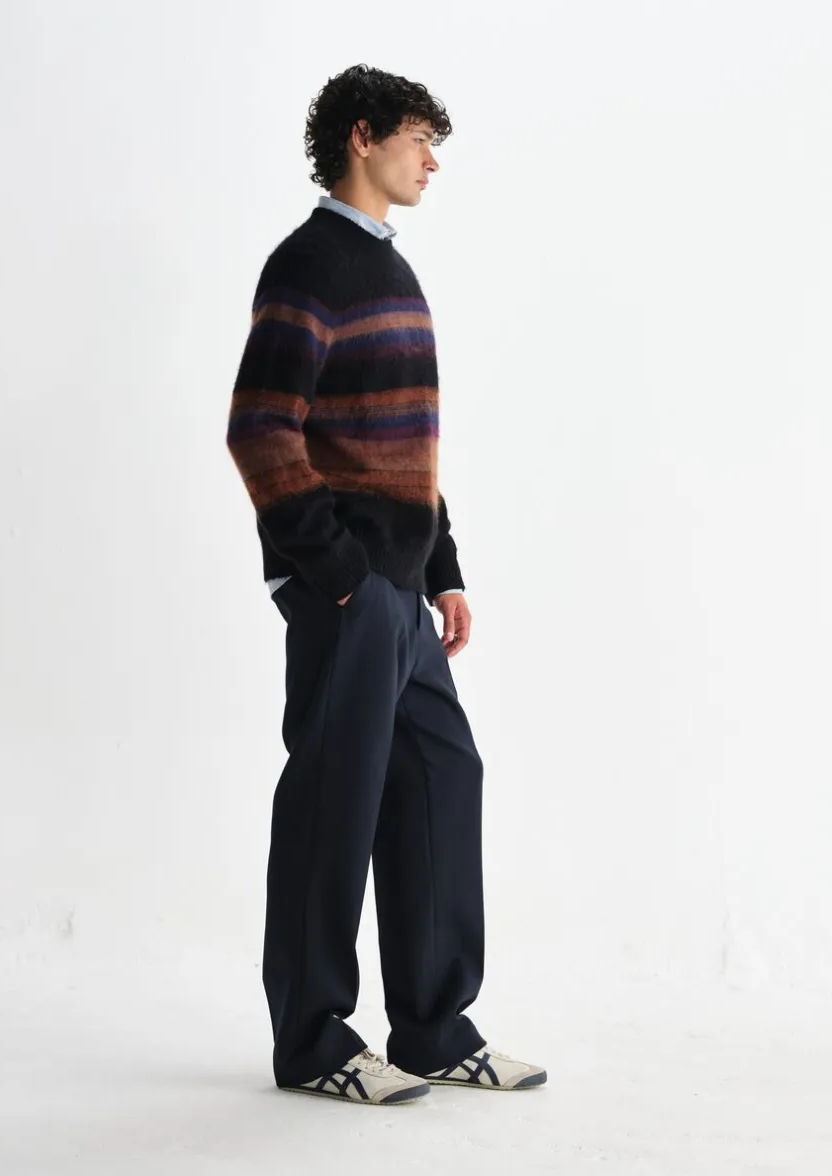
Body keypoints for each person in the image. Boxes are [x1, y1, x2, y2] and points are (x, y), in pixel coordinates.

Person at [225, 63, 547, 1105]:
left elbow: (403, 448)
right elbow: (260, 428)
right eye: (418, 139)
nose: (431, 161)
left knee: (442, 779)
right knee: (335, 798)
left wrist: (441, 571)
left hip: (401, 594)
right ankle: (313, 1041)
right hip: (349, 591)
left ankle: (432, 1028)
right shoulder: (309, 265)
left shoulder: (393, 272)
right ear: (361, 137)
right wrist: (338, 572)